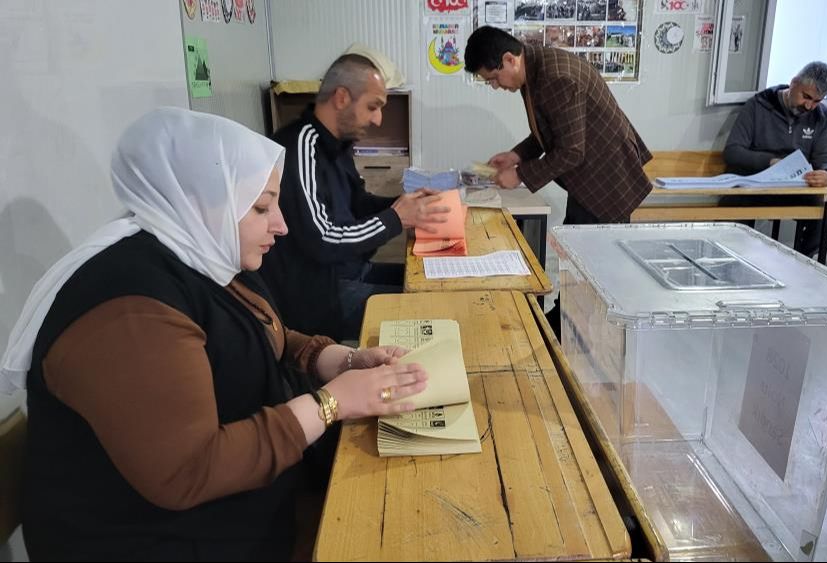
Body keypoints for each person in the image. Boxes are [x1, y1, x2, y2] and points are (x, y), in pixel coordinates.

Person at [0, 108, 429, 561]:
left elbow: (266, 333)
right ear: (204, 201)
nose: (281, 224)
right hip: (156, 540)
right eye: (262, 206)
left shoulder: (201, 252)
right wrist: (331, 403)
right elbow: (190, 472)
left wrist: (340, 361)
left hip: (241, 505)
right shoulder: (129, 312)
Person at [464, 26, 652, 336]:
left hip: (607, 179)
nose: (496, 86)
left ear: (509, 59)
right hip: (590, 178)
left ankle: (579, 335)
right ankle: (565, 320)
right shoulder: (534, 70)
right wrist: (516, 155)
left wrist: (520, 175)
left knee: (592, 264)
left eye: (493, 79)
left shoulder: (555, 77)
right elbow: (551, 131)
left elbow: (571, 150)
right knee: (575, 257)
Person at [260, 54, 450, 342]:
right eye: (373, 107)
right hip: (318, 296)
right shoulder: (301, 146)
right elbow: (322, 239)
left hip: (350, 272)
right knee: (435, 312)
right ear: (341, 97)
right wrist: (396, 218)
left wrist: (405, 204)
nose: (378, 119)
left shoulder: (337, 144)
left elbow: (358, 204)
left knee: (438, 287)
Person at [721, 61, 827, 257]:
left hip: (796, 189)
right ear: (793, 83)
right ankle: (735, 264)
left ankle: (799, 262)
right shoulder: (758, 105)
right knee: (731, 210)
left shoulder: (822, 116)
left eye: (817, 101)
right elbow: (733, 152)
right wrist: (770, 162)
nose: (809, 106)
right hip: (752, 187)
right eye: (806, 97)